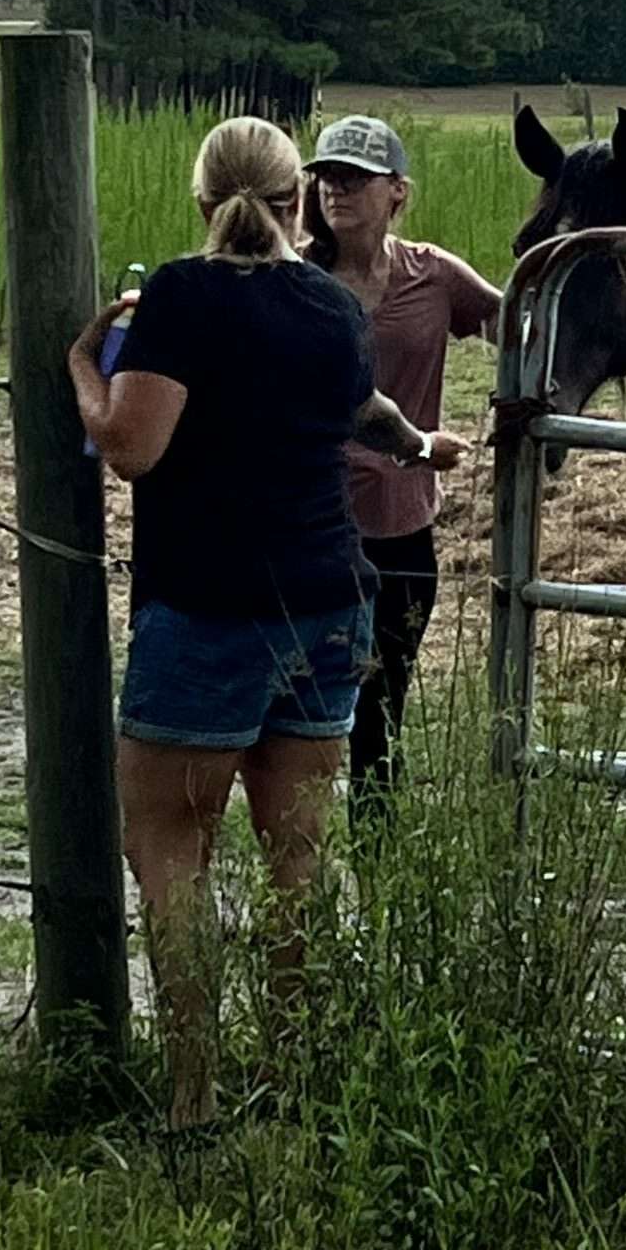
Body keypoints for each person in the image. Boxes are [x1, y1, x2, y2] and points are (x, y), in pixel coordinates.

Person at [68, 115, 464, 1130]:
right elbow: (362, 407)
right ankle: (294, 1078)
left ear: (203, 200)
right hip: (328, 601)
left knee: (172, 851)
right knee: (300, 857)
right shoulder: (332, 303)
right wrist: (420, 445)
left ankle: (193, 1094)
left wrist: (82, 366)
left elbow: (133, 448)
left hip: (208, 603)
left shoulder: (181, 296)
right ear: (297, 202)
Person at [303, 116, 500, 821]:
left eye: (356, 177)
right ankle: (301, 846)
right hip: (313, 522)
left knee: (383, 702)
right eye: (327, 176)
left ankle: (376, 842)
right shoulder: (295, 279)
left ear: (397, 192)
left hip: (402, 525)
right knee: (307, 704)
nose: (337, 189)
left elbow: (515, 326)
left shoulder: (432, 275)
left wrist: (528, 405)